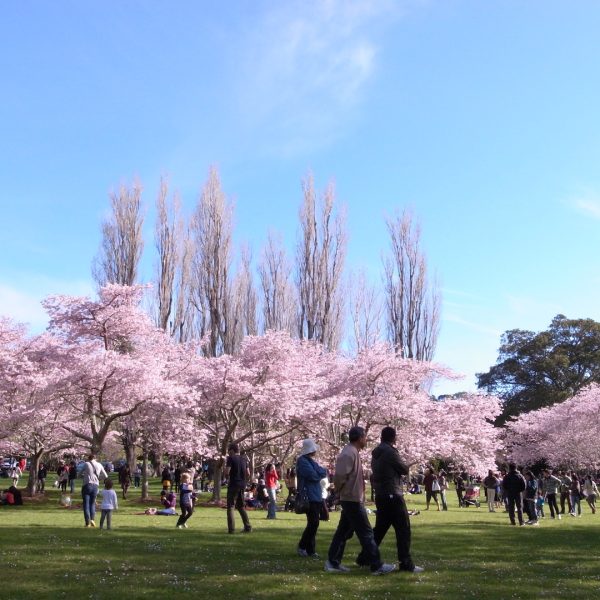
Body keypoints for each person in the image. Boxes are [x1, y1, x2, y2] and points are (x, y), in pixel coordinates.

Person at [325, 426, 396, 576]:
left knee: (343, 532)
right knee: (366, 533)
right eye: (365, 437)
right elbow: (340, 476)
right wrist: (339, 491)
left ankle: (333, 562)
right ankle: (376, 565)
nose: (366, 440)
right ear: (359, 438)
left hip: (352, 497)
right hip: (351, 499)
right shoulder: (348, 453)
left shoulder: (352, 452)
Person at [357, 426, 424, 573]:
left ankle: (365, 557)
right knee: (403, 529)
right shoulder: (390, 452)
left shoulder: (376, 453)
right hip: (393, 494)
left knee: (380, 529)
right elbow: (404, 469)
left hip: (381, 494)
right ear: (393, 437)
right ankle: (405, 563)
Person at [296, 438, 328, 558]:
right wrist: (318, 472)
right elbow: (313, 475)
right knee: (313, 523)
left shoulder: (311, 461)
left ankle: (310, 550)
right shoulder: (303, 461)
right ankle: (302, 546)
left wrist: (318, 472)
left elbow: (323, 472)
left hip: (316, 495)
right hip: (309, 496)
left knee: (313, 523)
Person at [224, 443, 252, 534]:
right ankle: (247, 526)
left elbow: (227, 472)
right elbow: (248, 473)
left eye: (229, 450)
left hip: (233, 484)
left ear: (232, 450)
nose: (228, 452)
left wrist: (226, 473)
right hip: (242, 484)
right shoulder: (244, 459)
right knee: (240, 506)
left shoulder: (231, 458)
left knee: (231, 506)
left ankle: (231, 529)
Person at [81, 454, 108, 527]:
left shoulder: (86, 464)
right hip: (96, 486)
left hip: (87, 484)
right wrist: (98, 478)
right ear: (95, 458)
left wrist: (83, 476)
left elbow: (79, 473)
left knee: (86, 504)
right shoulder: (99, 464)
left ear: (88, 458)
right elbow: (106, 475)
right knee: (92, 504)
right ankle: (92, 519)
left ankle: (87, 523)